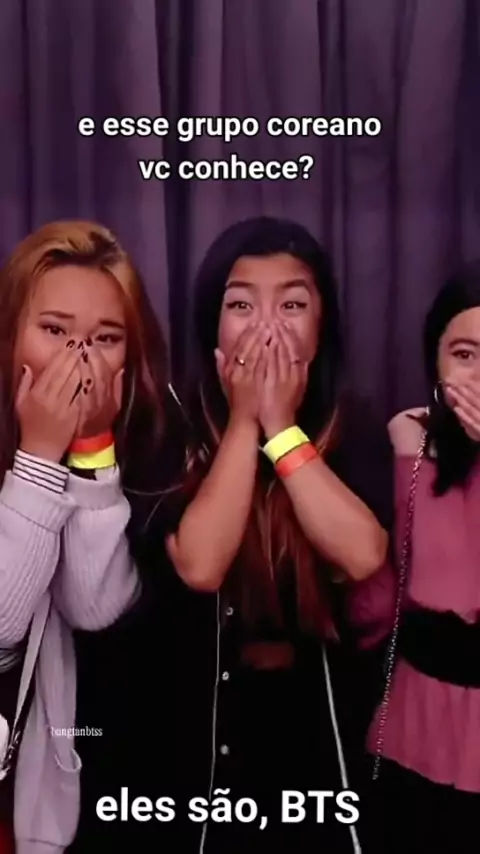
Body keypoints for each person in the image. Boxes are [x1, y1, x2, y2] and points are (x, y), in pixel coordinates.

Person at [166, 216, 393, 853]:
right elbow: (200, 565)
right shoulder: (175, 427)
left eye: (292, 305)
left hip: (322, 741)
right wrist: (246, 423)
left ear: (322, 329)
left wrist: (281, 429)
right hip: (198, 741)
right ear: (212, 325)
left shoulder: (353, 425)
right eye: (241, 305)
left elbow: (363, 554)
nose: (266, 329)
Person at [0, 220, 175, 853]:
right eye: (54, 331)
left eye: (104, 339)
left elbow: (93, 607)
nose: (80, 359)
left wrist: (91, 448)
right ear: (10, 335)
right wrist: (38, 458)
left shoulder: (152, 444)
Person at [350, 262, 480, 852]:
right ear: (436, 363)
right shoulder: (413, 436)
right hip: (418, 713)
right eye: (464, 355)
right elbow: (409, 579)